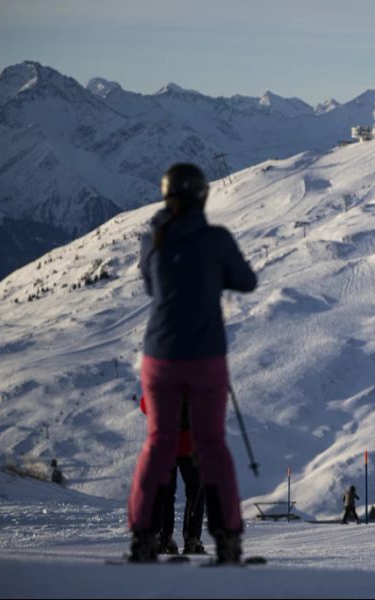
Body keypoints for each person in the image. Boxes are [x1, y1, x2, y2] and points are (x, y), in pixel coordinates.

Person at [127, 163, 257, 563]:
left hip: (159, 355)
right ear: (203, 196)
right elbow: (247, 281)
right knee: (212, 446)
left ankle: (144, 537)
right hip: (204, 355)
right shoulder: (215, 239)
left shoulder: (154, 239)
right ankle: (228, 538)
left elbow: (152, 285)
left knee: (157, 444)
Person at [140, 394, 206, 554]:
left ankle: (163, 538)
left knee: (165, 492)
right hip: (188, 445)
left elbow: (145, 406)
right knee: (195, 491)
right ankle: (192, 540)